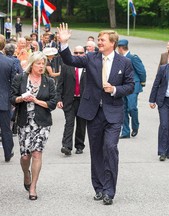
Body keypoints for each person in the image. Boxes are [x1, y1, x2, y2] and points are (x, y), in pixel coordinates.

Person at [57, 23, 134, 205]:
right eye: (98, 39)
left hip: (113, 113)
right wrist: (64, 44)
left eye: (102, 40)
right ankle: (99, 188)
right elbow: (70, 60)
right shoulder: (91, 58)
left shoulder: (125, 62)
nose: (99, 42)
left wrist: (115, 89)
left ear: (112, 43)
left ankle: (109, 191)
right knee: (97, 152)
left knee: (110, 148)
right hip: (93, 112)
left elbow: (130, 86)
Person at [10, 51, 57, 200]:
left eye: (43, 63)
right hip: (24, 122)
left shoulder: (48, 81)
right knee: (25, 157)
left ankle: (33, 187)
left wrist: (36, 101)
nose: (41, 66)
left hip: (42, 123)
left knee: (37, 153)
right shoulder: (20, 78)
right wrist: (21, 98)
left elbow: (53, 103)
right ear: (31, 64)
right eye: (38, 63)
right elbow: (12, 98)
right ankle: (26, 174)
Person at [57, 46, 87, 155]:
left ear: (84, 53)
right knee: (69, 123)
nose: (78, 55)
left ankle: (79, 145)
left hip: (83, 101)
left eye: (81, 53)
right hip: (69, 100)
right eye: (76, 53)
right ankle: (66, 146)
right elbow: (60, 84)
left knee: (81, 124)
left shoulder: (88, 66)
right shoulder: (66, 66)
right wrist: (59, 99)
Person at [117, 39, 147, 138]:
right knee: (123, 109)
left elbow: (141, 71)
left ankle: (135, 126)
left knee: (132, 107)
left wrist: (142, 83)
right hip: (122, 87)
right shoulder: (119, 59)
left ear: (121, 48)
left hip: (133, 86)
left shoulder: (133, 57)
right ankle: (125, 132)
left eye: (118, 48)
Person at [0, 34, 16, 162]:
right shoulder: (10, 62)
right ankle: (7, 152)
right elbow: (13, 83)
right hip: (4, 100)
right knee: (6, 128)